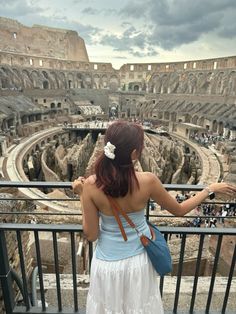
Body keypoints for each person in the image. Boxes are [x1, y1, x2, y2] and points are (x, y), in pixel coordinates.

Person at [72, 120, 236, 314]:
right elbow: (179, 210)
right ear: (134, 154)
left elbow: (91, 235)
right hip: (138, 262)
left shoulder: (91, 185)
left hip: (107, 265)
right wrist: (209, 189)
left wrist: (82, 194)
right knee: (139, 308)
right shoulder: (148, 181)